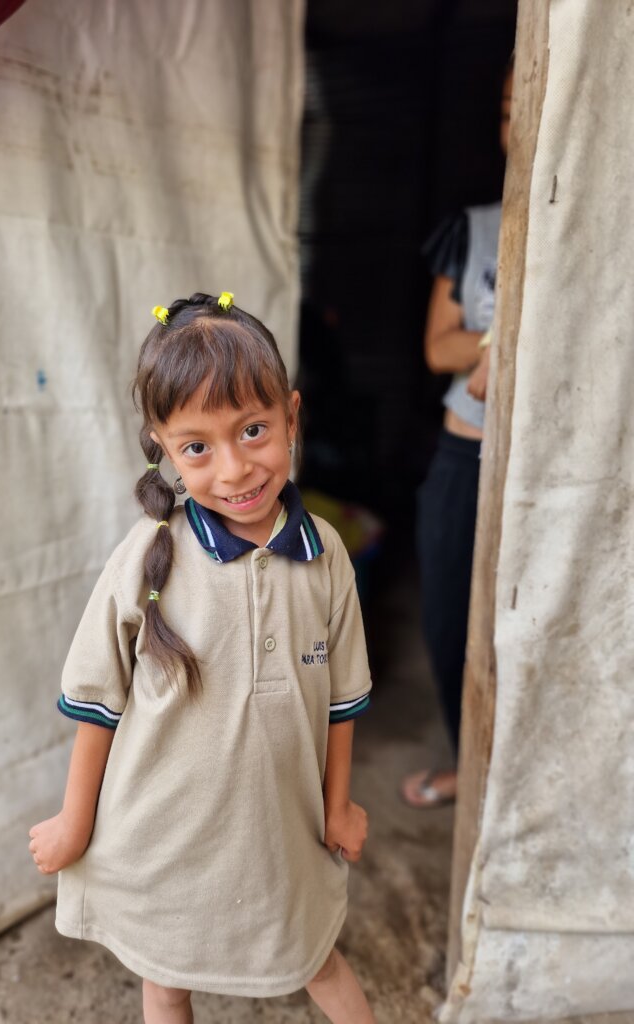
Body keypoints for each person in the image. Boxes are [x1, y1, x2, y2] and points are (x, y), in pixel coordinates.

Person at [28, 292, 375, 1024]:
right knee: (166, 983)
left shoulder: (326, 558)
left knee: (316, 957)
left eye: (253, 430)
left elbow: (343, 699)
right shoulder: (147, 557)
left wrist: (339, 804)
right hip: (161, 842)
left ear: (291, 416)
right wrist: (73, 822)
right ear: (161, 447)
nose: (235, 468)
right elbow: (98, 704)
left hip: (281, 838)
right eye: (197, 448)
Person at [401, 58, 513, 809]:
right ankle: (467, 765)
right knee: (447, 618)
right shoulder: (473, 231)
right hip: (465, 452)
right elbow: (439, 347)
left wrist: (507, 345)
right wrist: (494, 344)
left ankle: (514, 781)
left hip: (554, 461)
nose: (516, 123)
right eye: (505, 109)